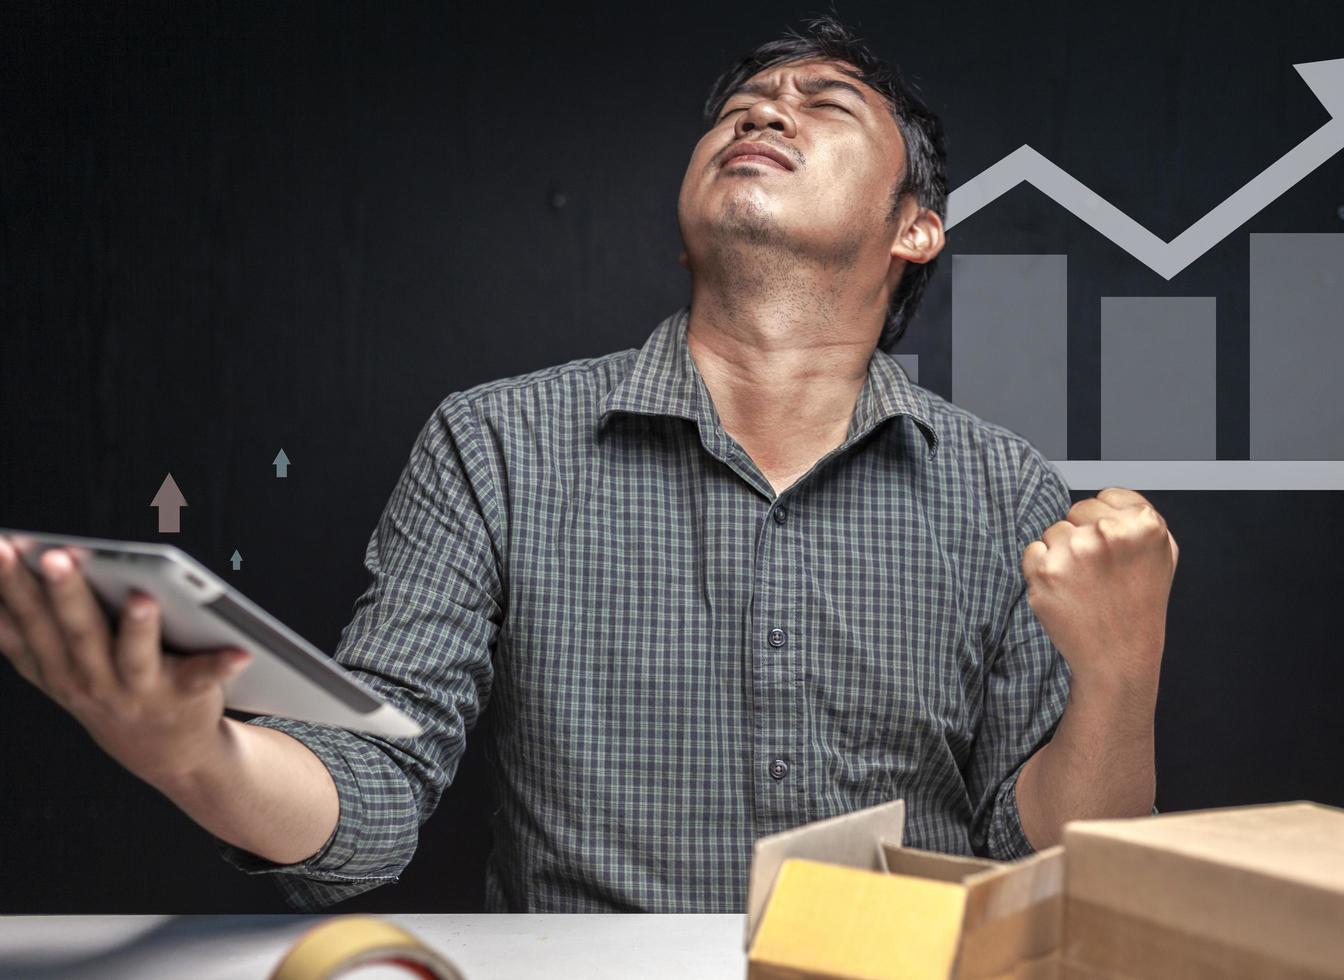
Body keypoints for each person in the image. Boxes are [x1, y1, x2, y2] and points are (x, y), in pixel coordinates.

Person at [0, 14, 1176, 914]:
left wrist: (1123, 667)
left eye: (823, 103)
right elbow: (373, 794)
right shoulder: (495, 443)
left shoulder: (1004, 488)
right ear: (684, 223)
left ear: (915, 226)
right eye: (743, 104)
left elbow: (1057, 876)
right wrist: (197, 752)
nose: (765, 109)